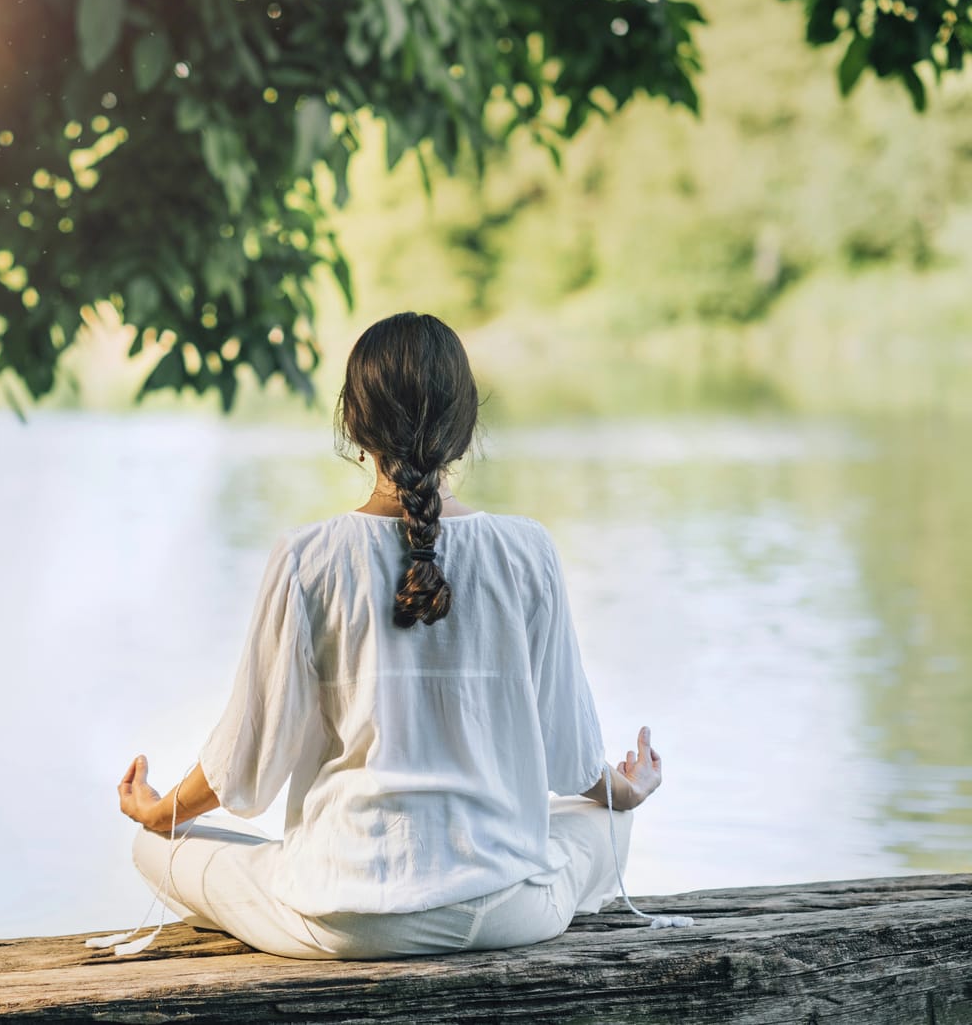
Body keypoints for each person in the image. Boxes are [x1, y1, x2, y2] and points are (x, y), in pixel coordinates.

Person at [111, 311, 666, 960]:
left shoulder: (306, 557)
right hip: (505, 908)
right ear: (466, 426)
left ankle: (185, 849)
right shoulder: (528, 550)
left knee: (153, 846)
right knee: (603, 824)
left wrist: (159, 812)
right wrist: (625, 791)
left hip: (344, 918)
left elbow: (247, 764)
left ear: (353, 424)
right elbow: (572, 760)